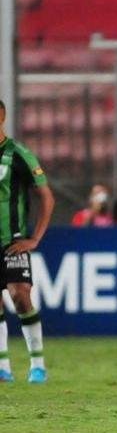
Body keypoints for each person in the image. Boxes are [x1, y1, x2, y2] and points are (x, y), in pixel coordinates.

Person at [0, 98, 55, 384]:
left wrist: (35, 238)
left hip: (13, 241)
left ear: (1, 118)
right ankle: (3, 368)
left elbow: (46, 196)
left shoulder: (17, 153)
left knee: (20, 295)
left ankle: (37, 365)